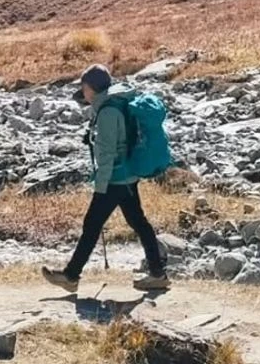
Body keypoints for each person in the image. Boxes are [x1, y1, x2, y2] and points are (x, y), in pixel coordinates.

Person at [42, 64, 170, 293]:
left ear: (91, 87)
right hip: (126, 175)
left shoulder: (108, 112)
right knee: (138, 223)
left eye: (84, 86)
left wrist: (99, 186)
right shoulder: (115, 102)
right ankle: (157, 273)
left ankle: (71, 276)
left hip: (115, 179)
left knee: (93, 225)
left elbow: (108, 151)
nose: (83, 91)